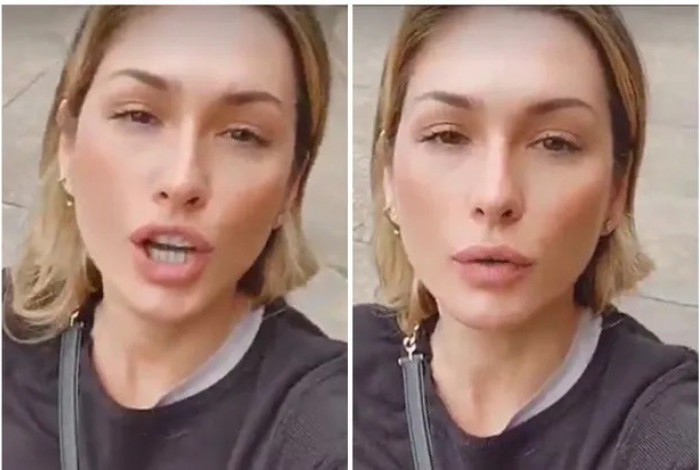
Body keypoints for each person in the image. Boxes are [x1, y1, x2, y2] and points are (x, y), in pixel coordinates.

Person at [354, 6, 697, 469]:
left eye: (555, 143)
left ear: (618, 190)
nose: (495, 195)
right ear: (388, 175)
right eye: (448, 136)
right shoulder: (339, 376)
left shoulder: (667, 429)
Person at [3, 5, 346, 470]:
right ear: (68, 144)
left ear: (292, 186)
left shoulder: (334, 421)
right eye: (139, 116)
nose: (182, 180)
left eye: (242, 135)